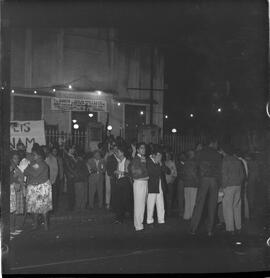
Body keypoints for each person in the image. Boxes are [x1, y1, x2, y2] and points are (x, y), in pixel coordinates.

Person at [190, 137, 222, 236]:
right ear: (212, 143)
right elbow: (220, 170)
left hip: (203, 180)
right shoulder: (217, 154)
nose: (217, 145)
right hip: (214, 181)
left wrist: (198, 179)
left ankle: (193, 229)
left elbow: (194, 167)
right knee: (212, 205)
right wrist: (219, 183)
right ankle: (210, 230)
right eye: (216, 143)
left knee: (199, 204)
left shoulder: (200, 153)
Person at [24, 146, 52, 230]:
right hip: (33, 187)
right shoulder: (33, 163)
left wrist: (30, 170)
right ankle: (35, 224)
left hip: (42, 187)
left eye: (34, 154)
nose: (32, 156)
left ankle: (46, 225)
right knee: (33, 207)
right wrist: (30, 170)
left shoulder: (43, 164)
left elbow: (35, 174)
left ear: (39, 155)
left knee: (43, 207)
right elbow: (25, 172)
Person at [221, 145, 245, 236]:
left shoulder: (225, 160)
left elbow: (224, 175)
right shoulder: (238, 161)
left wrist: (223, 186)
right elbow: (242, 175)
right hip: (238, 186)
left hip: (228, 186)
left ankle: (230, 229)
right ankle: (238, 227)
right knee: (237, 207)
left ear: (225, 152)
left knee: (228, 207)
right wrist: (238, 183)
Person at [129, 142, 149, 232]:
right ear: (137, 150)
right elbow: (135, 172)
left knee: (142, 204)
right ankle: (138, 225)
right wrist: (146, 175)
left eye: (144, 148)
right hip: (139, 182)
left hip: (144, 182)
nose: (143, 150)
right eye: (141, 148)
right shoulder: (137, 159)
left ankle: (140, 224)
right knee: (139, 205)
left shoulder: (142, 158)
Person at [146, 145, 166, 227]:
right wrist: (159, 165)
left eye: (161, 156)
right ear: (153, 155)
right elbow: (153, 172)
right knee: (151, 203)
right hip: (152, 185)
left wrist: (161, 165)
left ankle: (161, 219)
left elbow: (167, 170)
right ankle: (149, 220)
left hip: (159, 185)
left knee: (161, 203)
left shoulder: (158, 162)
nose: (160, 157)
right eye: (158, 155)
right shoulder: (149, 161)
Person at [113, 145, 132, 223]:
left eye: (118, 152)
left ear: (122, 153)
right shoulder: (119, 162)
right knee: (119, 201)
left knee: (126, 201)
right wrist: (116, 173)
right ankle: (119, 218)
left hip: (125, 182)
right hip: (119, 182)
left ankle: (133, 216)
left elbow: (129, 174)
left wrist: (120, 172)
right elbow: (118, 174)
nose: (117, 153)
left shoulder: (127, 161)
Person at [10, 151, 25, 232]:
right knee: (12, 210)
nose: (16, 160)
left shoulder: (16, 167)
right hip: (12, 191)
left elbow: (21, 178)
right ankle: (11, 227)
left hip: (17, 190)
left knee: (16, 209)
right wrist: (15, 179)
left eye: (17, 158)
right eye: (14, 158)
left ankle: (15, 226)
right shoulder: (11, 167)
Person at [183, 150, 198, 220]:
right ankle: (192, 216)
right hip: (193, 184)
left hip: (186, 184)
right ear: (191, 155)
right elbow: (194, 174)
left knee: (187, 201)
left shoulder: (185, 162)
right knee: (193, 201)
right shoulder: (194, 163)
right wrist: (197, 181)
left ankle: (186, 216)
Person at [43, 146, 59, 214]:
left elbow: (55, 170)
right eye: (43, 150)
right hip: (43, 182)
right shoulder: (41, 159)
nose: (44, 152)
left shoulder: (53, 158)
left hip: (51, 181)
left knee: (52, 197)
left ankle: (52, 210)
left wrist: (52, 180)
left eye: (45, 150)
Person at [63, 145, 78, 211]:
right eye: (72, 149)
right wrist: (75, 174)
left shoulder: (72, 156)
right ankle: (70, 206)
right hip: (70, 176)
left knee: (73, 191)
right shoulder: (67, 157)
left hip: (73, 176)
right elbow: (69, 167)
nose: (74, 150)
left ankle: (73, 205)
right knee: (70, 191)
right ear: (69, 150)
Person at [105, 142, 119, 210]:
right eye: (114, 149)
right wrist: (110, 174)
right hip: (110, 175)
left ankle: (115, 204)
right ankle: (108, 203)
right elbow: (107, 166)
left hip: (117, 175)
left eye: (117, 149)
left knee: (115, 190)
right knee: (108, 189)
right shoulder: (110, 156)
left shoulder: (119, 156)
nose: (116, 150)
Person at [164, 151, 177, 216]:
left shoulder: (172, 163)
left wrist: (172, 181)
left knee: (169, 198)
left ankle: (169, 212)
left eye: (168, 155)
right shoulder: (163, 163)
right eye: (166, 155)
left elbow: (175, 174)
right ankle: (164, 212)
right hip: (163, 184)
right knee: (164, 199)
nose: (167, 157)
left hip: (169, 183)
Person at [52, 146, 64, 211]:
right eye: (54, 151)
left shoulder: (59, 158)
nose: (55, 152)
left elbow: (61, 167)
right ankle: (53, 207)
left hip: (58, 177)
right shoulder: (50, 158)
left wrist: (61, 176)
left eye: (56, 151)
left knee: (57, 193)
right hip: (52, 178)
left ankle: (56, 206)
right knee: (53, 193)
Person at [176, 152, 186, 218]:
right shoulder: (178, 164)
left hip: (185, 182)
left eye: (184, 156)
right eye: (182, 156)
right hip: (181, 182)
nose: (183, 157)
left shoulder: (187, 164)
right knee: (181, 197)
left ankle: (185, 211)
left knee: (185, 197)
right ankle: (181, 212)